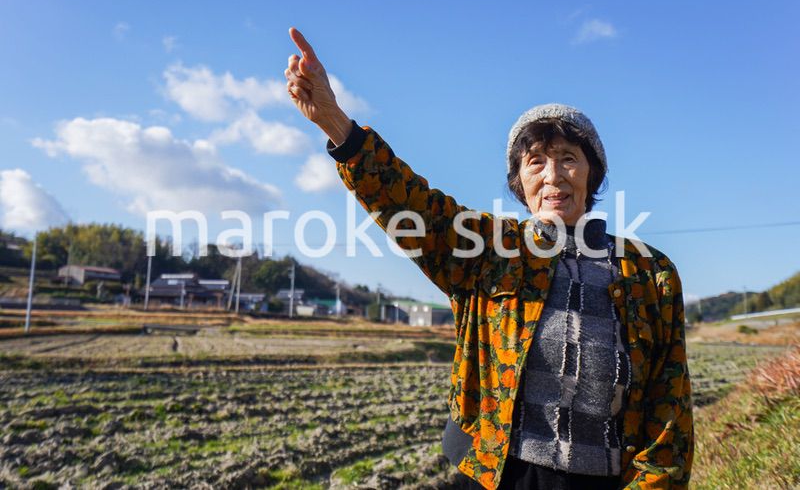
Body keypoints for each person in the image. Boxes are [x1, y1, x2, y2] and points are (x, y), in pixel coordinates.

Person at [284, 27, 693, 490]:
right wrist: (337, 125)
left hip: (598, 479)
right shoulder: (489, 247)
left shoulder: (649, 273)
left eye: (568, 158)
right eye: (535, 162)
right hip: (496, 473)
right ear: (519, 182)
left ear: (592, 171)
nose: (553, 176)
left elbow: (669, 409)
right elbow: (409, 206)